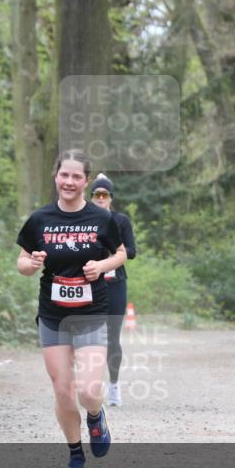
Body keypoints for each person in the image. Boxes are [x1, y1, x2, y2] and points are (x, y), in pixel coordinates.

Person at [17, 150, 126, 468]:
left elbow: (121, 254)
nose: (69, 181)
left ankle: (96, 417)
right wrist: (31, 264)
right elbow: (22, 263)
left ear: (86, 181)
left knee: (89, 391)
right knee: (63, 390)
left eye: (77, 176)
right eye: (65, 175)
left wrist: (101, 266)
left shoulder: (102, 219)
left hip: (92, 313)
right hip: (53, 317)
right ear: (56, 177)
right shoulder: (40, 219)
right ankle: (75, 455)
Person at [88, 174, 137, 406]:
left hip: (115, 284)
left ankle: (114, 386)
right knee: (88, 336)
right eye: (96, 194)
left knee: (112, 338)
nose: (100, 198)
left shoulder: (121, 221)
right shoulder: (84, 220)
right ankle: (91, 384)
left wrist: (113, 253)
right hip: (89, 284)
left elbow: (132, 251)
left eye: (104, 195)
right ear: (91, 198)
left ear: (110, 198)